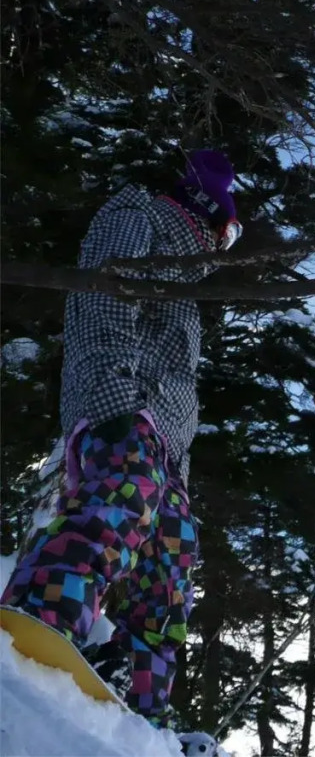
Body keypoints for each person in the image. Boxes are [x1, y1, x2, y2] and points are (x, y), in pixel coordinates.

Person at [1, 150, 241, 747]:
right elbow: (101, 305)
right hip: (122, 409)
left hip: (168, 452)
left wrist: (178, 473)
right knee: (117, 503)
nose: (223, 250)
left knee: (172, 566)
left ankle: (140, 705)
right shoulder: (136, 220)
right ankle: (39, 613)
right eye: (228, 235)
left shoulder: (182, 282)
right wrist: (115, 399)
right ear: (207, 216)